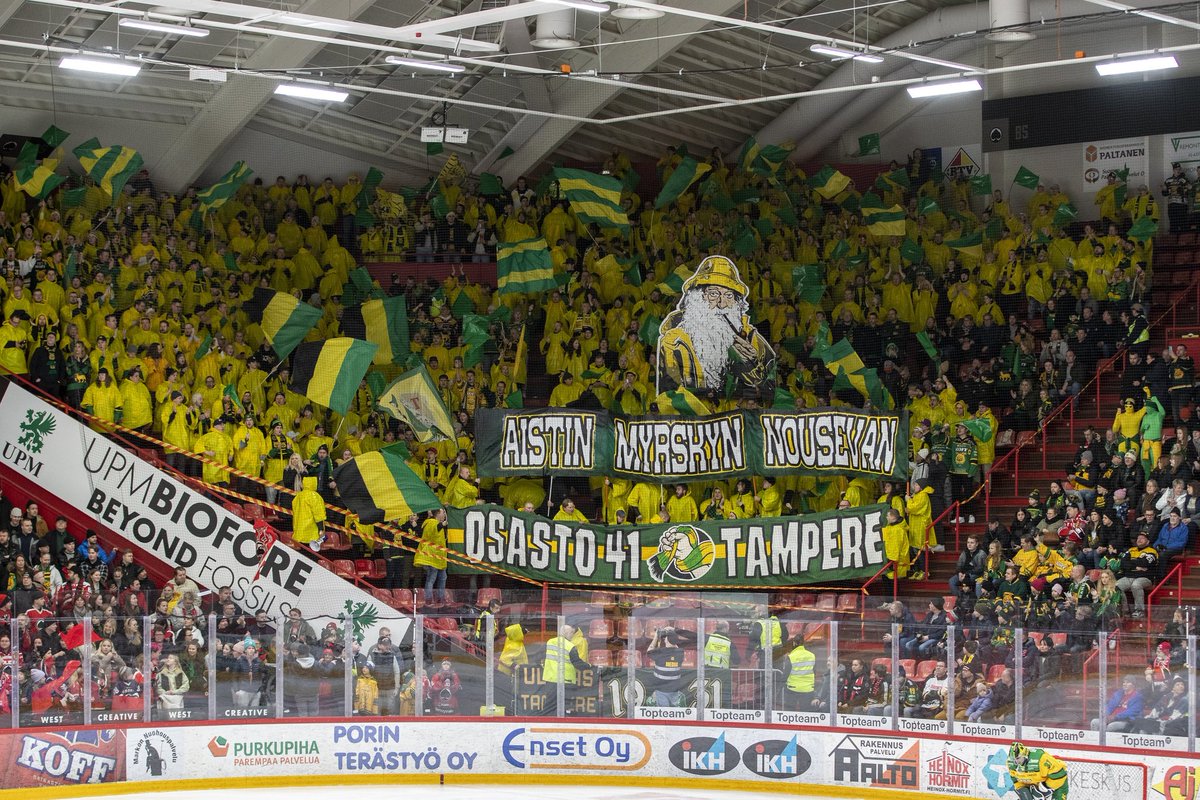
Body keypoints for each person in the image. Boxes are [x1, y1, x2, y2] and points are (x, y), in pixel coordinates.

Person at [658, 255, 776, 395]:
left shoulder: (749, 337)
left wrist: (751, 367)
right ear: (697, 297)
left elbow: (771, 390)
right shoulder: (674, 343)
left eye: (729, 295)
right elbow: (671, 398)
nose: (722, 303)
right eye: (713, 294)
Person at [415, 508, 449, 607]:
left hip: (440, 557)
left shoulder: (436, 523)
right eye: (443, 512)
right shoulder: (430, 522)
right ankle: (428, 601)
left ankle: (440, 600)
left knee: (442, 578)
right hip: (431, 557)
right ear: (438, 513)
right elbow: (434, 529)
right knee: (431, 579)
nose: (444, 514)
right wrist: (442, 524)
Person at [646, 626, 687, 707]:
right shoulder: (680, 653)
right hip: (675, 690)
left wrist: (656, 637)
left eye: (665, 638)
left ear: (667, 640)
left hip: (661, 690)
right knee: (674, 712)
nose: (664, 639)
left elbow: (649, 651)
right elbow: (675, 646)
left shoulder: (660, 652)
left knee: (663, 712)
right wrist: (672, 633)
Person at [781, 633, 816, 711]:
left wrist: (782, 683)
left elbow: (786, 673)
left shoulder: (791, 656)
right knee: (806, 713)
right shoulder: (812, 655)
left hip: (792, 689)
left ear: (794, 643)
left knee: (790, 712)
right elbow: (814, 671)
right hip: (807, 689)